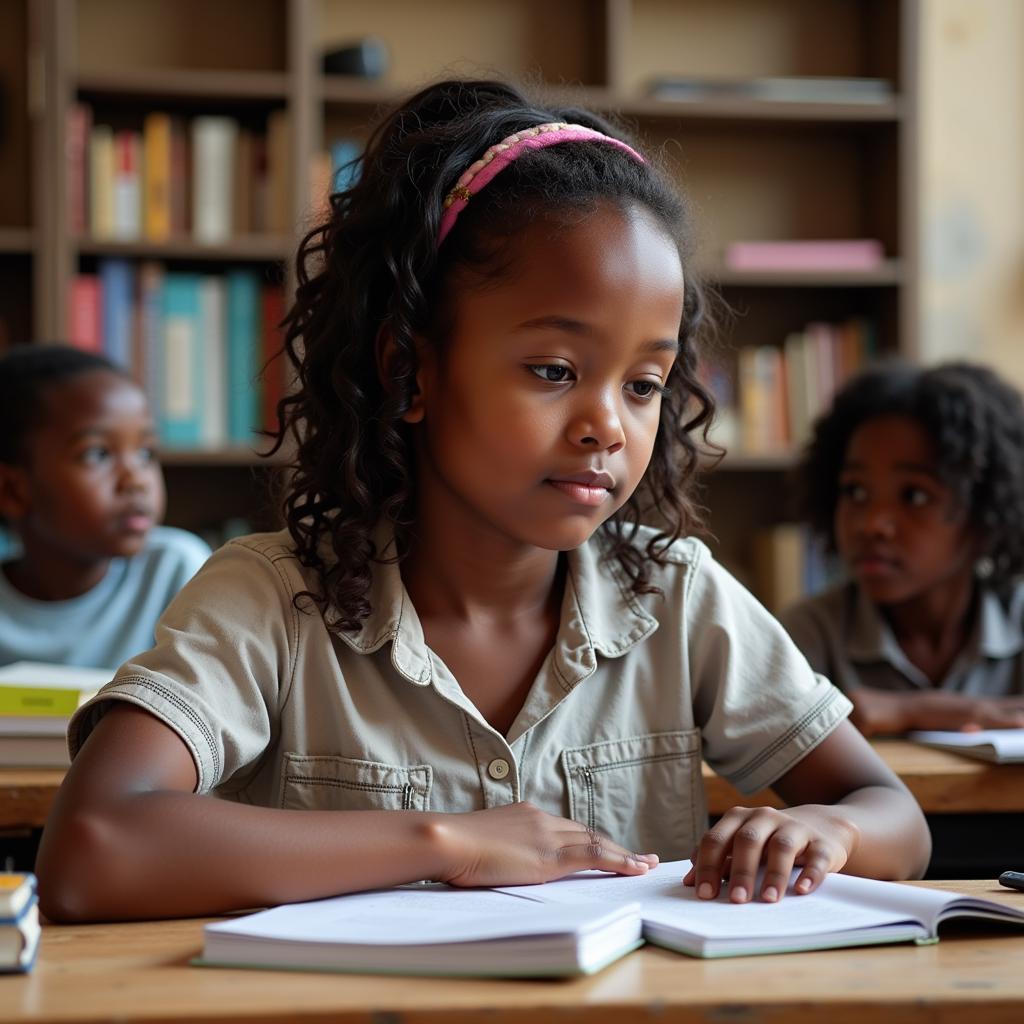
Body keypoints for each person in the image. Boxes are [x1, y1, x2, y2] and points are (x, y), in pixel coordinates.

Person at [37, 79, 929, 923]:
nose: (607, 426)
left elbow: (894, 816)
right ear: (409, 370)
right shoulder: (271, 601)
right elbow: (95, 844)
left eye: (645, 383)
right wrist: (446, 842)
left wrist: (827, 830)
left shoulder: (678, 597)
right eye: (554, 370)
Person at [781, 361, 1024, 737]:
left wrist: (903, 711)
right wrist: (921, 710)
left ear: (984, 513)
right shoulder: (808, 634)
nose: (872, 524)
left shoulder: (1018, 616)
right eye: (855, 491)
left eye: (914, 495)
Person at [0, 345, 211, 669]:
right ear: (13, 491)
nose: (136, 480)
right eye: (97, 454)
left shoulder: (174, 571)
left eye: (146, 453)